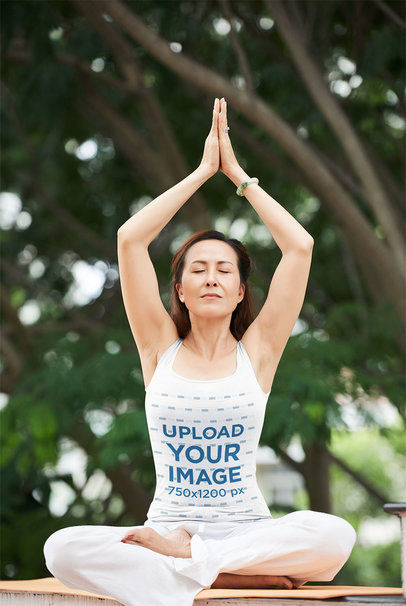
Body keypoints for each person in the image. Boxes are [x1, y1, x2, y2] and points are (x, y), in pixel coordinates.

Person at [44, 97, 356, 606]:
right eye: (198, 269)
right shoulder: (157, 347)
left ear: (239, 293)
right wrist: (199, 173)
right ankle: (212, 572)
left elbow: (299, 247)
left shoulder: (258, 352)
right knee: (62, 549)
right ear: (181, 291)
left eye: (224, 270)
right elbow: (129, 240)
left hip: (246, 536)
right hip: (161, 533)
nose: (211, 276)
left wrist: (236, 175)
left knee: (334, 536)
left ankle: (195, 566)